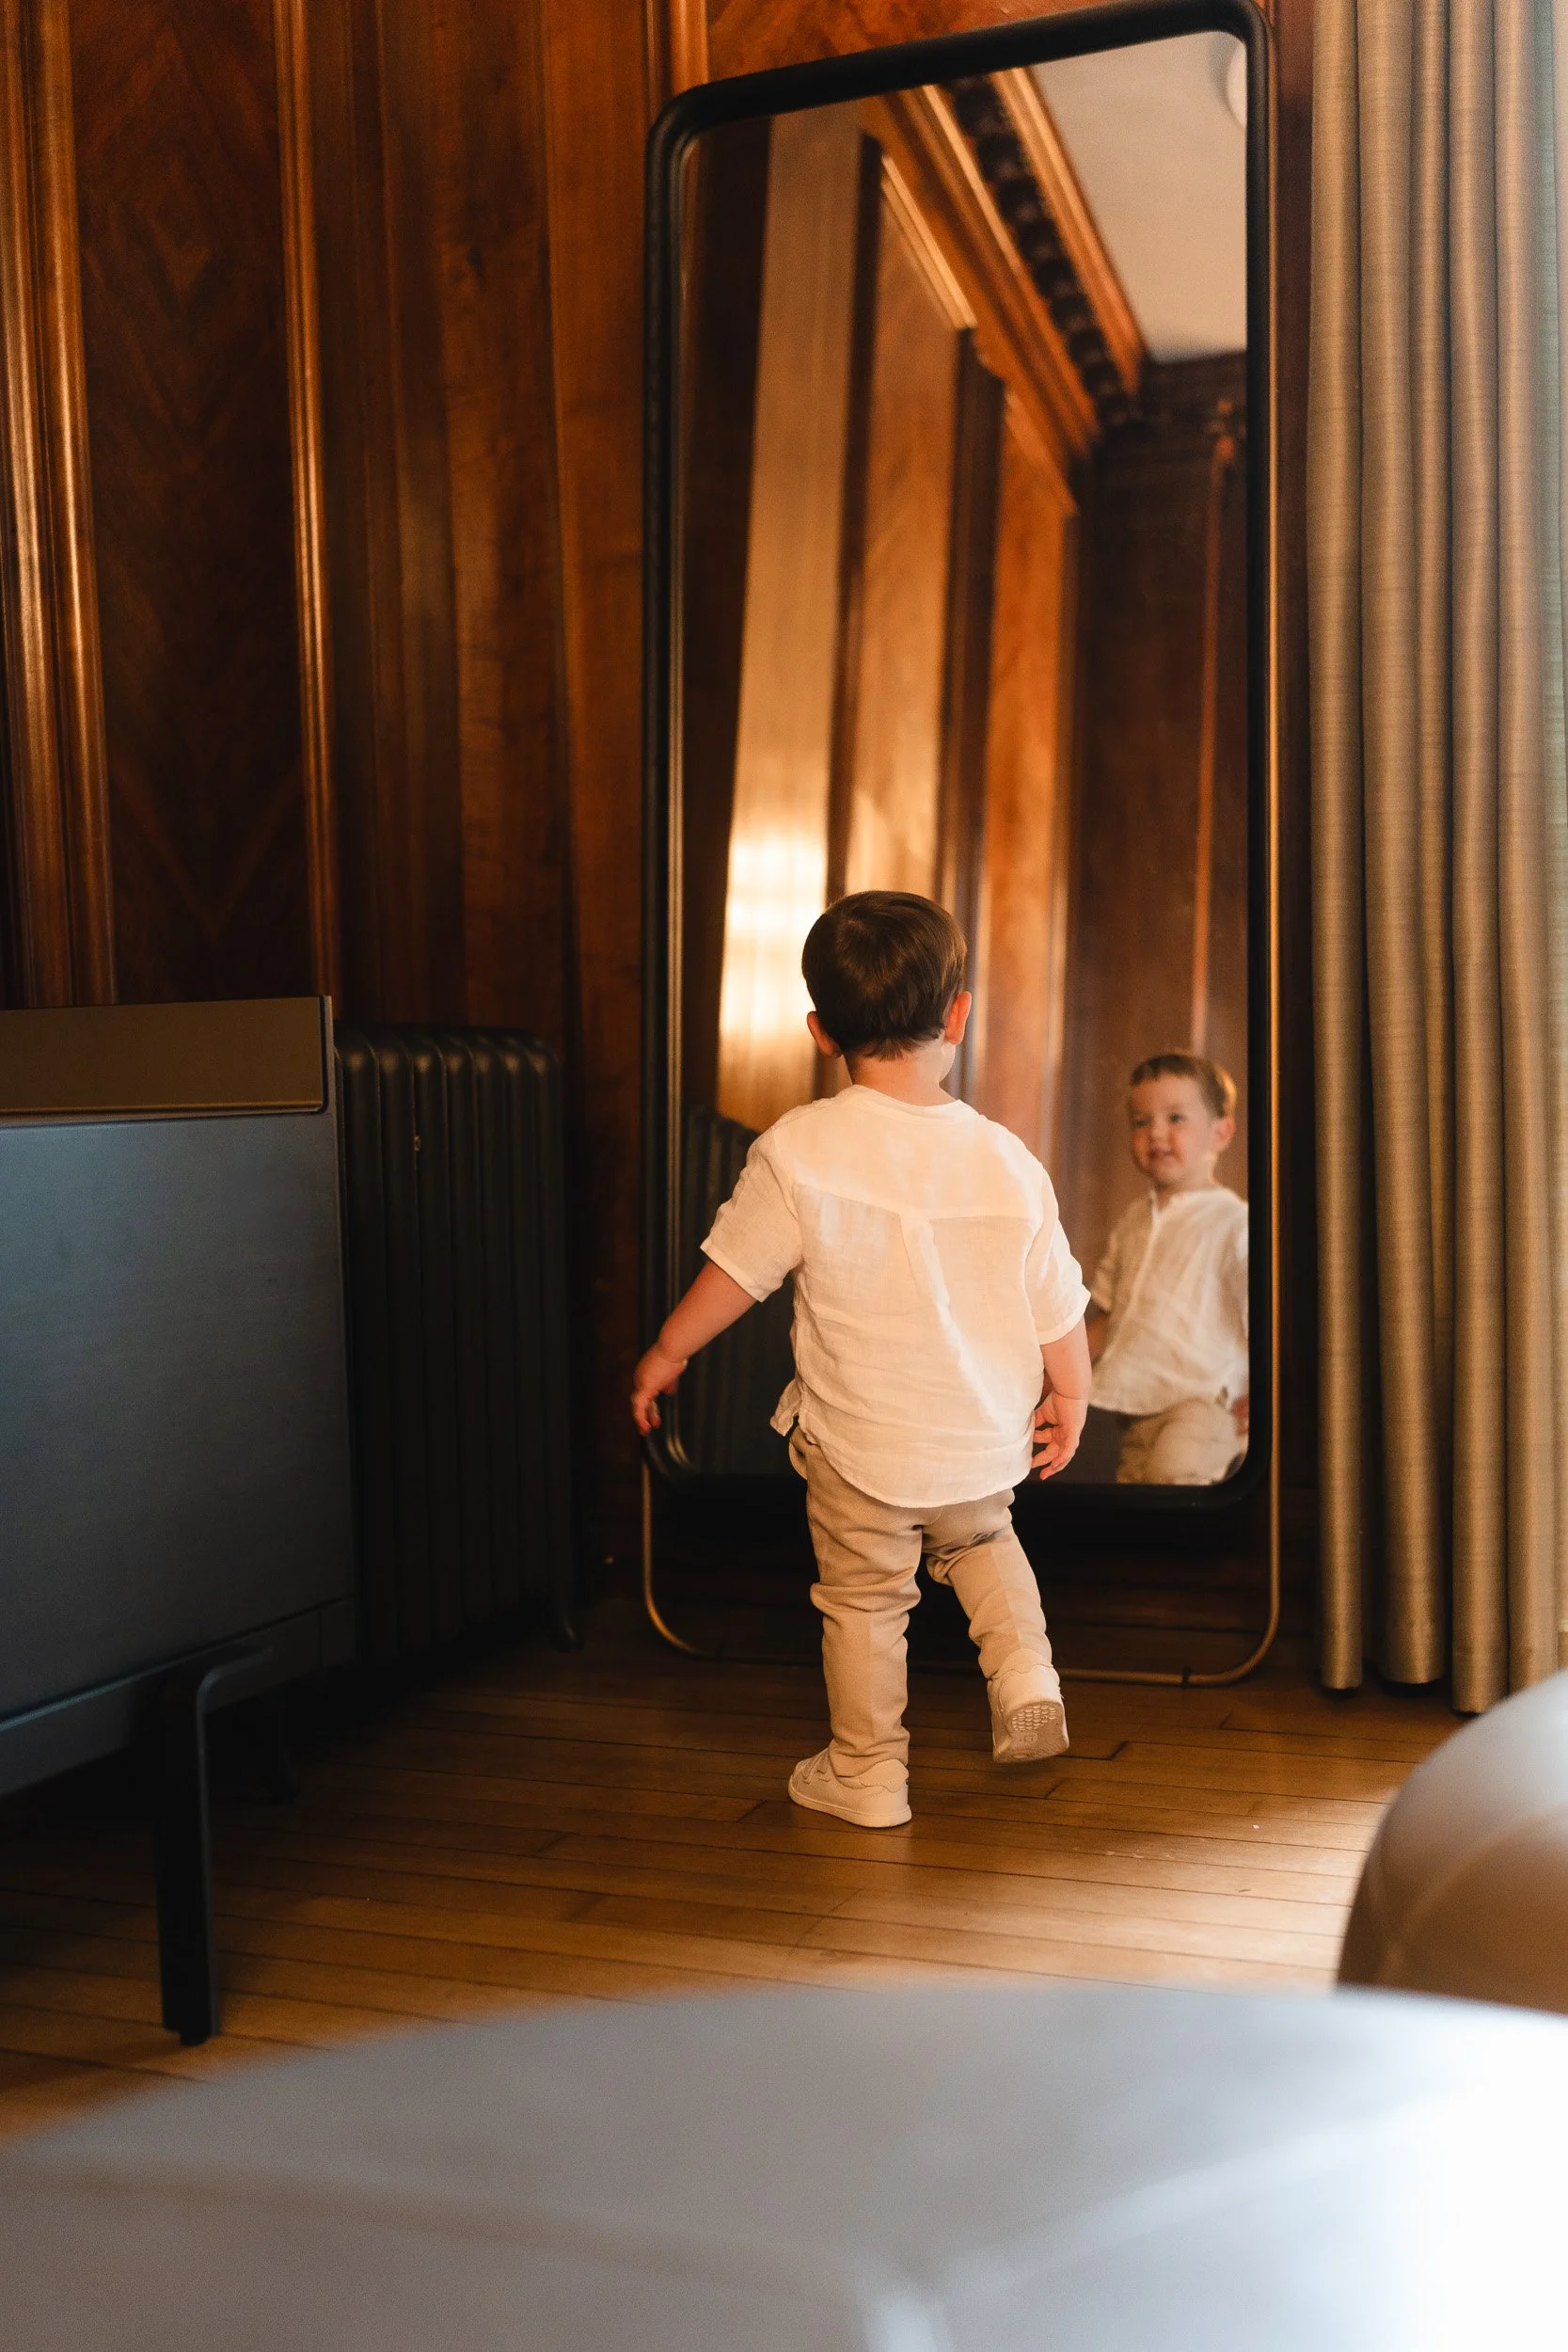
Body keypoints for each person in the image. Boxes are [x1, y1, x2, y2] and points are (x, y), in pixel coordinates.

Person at [630, 891, 1091, 1831]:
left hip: (858, 1446)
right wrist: (1069, 1393)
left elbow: (735, 1274)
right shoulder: (1008, 1161)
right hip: (975, 1439)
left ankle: (868, 1772)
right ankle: (1027, 1674)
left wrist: (665, 1353)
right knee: (982, 1543)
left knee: (865, 1600)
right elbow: (1056, 1303)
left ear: (816, 1030)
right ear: (957, 1012)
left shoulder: (799, 1149)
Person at [1085, 1051, 1248, 1486]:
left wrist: (1264, 1394)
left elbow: (1260, 1317)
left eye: (1176, 1118)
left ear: (1220, 1133)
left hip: (1203, 1400)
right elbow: (1106, 1317)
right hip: (1138, 1404)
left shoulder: (1232, 1221)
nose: (1156, 1132)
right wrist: (1055, 1375)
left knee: (1174, 1487)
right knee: (1139, 1500)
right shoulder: (1133, 1221)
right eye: (1141, 1122)